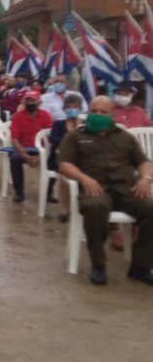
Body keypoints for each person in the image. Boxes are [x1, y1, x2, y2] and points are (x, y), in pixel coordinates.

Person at [58, 96, 153, 286]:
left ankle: (140, 266)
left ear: (112, 115)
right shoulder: (76, 136)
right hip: (95, 188)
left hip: (127, 188)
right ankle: (98, 265)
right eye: (94, 111)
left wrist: (146, 179)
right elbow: (64, 164)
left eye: (103, 112)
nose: (98, 115)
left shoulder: (125, 136)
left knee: (151, 209)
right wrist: (84, 178)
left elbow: (143, 162)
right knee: (95, 208)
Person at [10, 91, 52, 203]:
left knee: (55, 161)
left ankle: (48, 193)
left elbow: (49, 138)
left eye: (33, 100)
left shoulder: (46, 116)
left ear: (39, 102)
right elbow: (14, 139)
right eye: (28, 100)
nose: (30, 103)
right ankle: (18, 192)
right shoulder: (18, 116)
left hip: (42, 150)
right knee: (14, 159)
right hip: (23, 149)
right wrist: (25, 156)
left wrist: (40, 156)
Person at [49, 94, 84, 222]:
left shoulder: (85, 125)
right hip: (62, 157)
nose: (71, 110)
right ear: (64, 109)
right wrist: (71, 133)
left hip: (83, 159)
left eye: (75, 107)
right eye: (68, 107)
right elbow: (54, 140)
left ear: (80, 108)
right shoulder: (59, 124)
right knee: (65, 171)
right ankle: (65, 209)